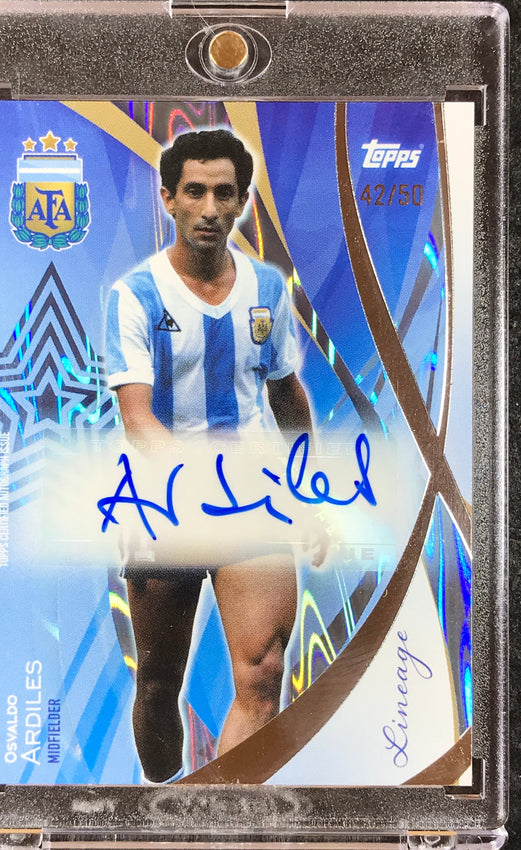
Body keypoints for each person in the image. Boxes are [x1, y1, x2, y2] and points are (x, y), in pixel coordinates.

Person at [104, 129, 321, 784]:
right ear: (169, 198)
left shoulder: (267, 289)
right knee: (157, 682)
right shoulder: (134, 297)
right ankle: (162, 803)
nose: (208, 208)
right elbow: (138, 419)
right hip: (165, 506)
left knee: (262, 674)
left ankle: (220, 821)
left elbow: (287, 397)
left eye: (224, 193)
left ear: (242, 202)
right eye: (194, 191)